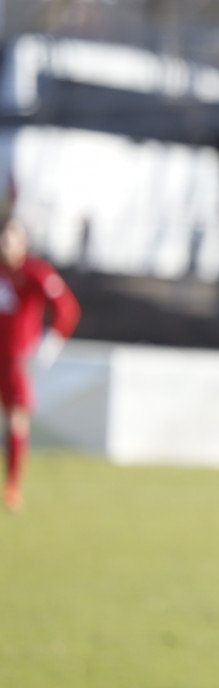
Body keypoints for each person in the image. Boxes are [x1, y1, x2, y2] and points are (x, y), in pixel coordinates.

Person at [0, 217, 80, 512]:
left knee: (16, 419)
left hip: (16, 360)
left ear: (23, 242)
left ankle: (12, 486)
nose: (5, 243)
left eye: (11, 237)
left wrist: (49, 345)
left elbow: (67, 308)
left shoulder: (35, 272)